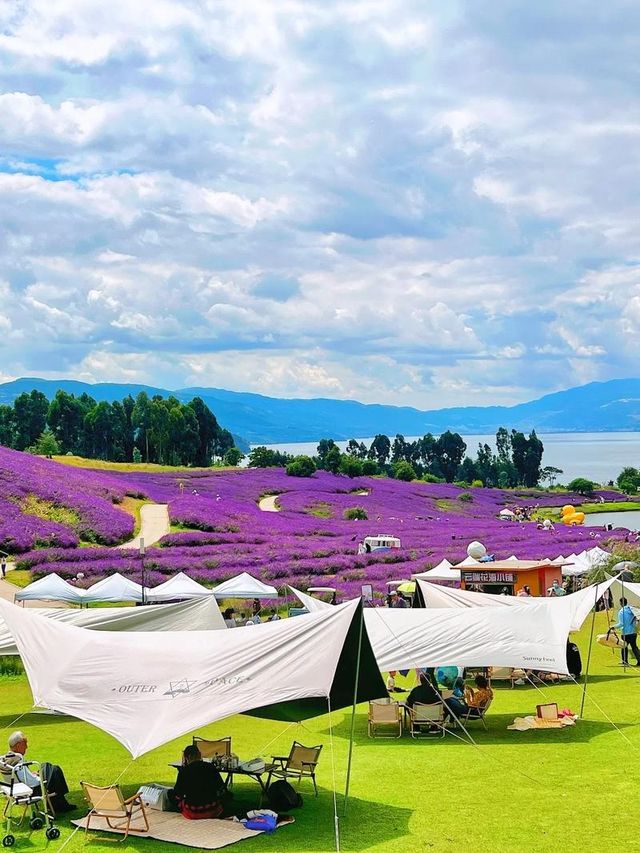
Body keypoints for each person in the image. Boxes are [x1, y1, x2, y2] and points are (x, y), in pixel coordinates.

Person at [5, 731, 75, 814]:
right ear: (19, 745)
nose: (27, 747)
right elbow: (32, 782)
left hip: (16, 789)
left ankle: (59, 802)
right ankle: (60, 803)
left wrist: (32, 774)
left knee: (46, 766)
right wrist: (39, 777)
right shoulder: (18, 760)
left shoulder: (7, 759)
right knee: (54, 769)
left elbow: (22, 776)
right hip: (30, 791)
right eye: (25, 744)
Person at [171, 745, 226, 820]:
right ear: (199, 754)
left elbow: (178, 793)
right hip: (212, 808)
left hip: (193, 811)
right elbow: (221, 787)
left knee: (170, 794)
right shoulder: (210, 767)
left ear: (188, 757)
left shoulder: (184, 771)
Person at [613, 598, 640, 666]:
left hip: (626, 633)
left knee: (624, 647)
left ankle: (625, 662)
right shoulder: (631, 609)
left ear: (621, 603)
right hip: (633, 631)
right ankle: (639, 661)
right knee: (634, 647)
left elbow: (622, 624)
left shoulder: (621, 612)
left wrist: (613, 627)